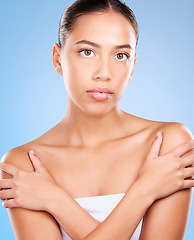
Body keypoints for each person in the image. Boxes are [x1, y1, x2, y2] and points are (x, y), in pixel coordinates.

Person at [0, 0, 194, 239]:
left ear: (132, 66)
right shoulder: (24, 165)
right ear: (58, 59)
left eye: (120, 55)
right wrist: (145, 190)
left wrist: (55, 200)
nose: (104, 73)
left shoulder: (169, 144)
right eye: (87, 52)